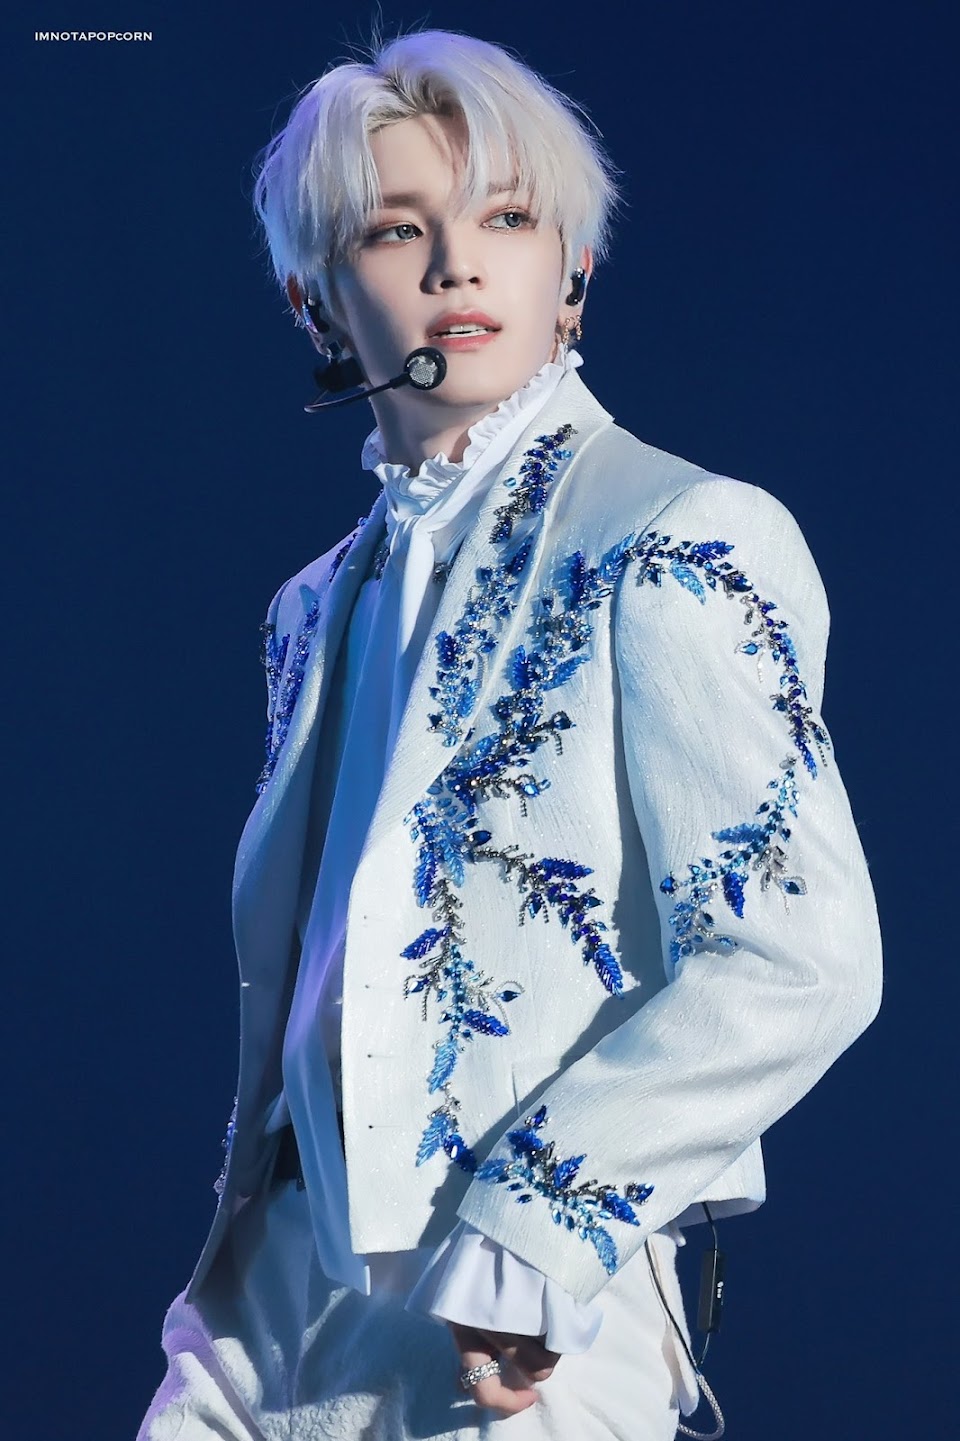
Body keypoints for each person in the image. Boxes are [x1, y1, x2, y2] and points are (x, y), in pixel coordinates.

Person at [137, 25, 882, 1441]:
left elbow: (800, 953)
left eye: (507, 219)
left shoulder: (678, 535)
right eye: (395, 228)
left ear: (573, 271)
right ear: (314, 298)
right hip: (265, 1304)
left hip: (513, 1326)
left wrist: (538, 1233)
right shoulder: (309, 607)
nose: (456, 265)